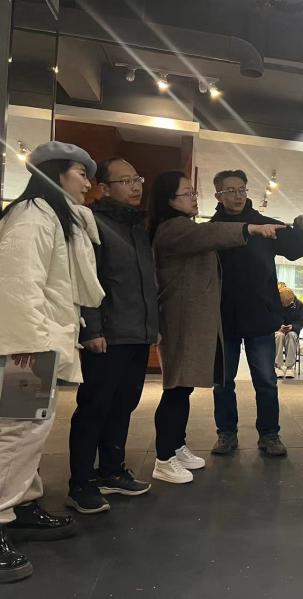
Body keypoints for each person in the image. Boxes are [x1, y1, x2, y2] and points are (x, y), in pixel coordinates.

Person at [0, 142, 104, 583]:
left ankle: (23, 506)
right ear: (57, 172)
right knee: (17, 432)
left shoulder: (54, 217)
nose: (88, 182)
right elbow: (16, 288)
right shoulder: (31, 217)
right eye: (81, 173)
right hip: (26, 349)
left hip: (38, 346)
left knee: (31, 432)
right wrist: (35, 352)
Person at [148, 171, 280, 484]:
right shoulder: (174, 228)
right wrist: (250, 228)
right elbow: (211, 234)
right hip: (181, 322)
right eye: (186, 193)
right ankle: (164, 458)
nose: (193, 198)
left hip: (198, 322)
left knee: (183, 389)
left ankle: (176, 446)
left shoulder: (182, 227)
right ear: (169, 200)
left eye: (193, 192)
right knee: (177, 390)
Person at [66, 158, 157, 515]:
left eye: (138, 179)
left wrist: (152, 327)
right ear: (104, 188)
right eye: (126, 181)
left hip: (137, 333)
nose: (135, 186)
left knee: (124, 405)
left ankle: (112, 471)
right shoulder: (93, 222)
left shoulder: (137, 226)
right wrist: (92, 328)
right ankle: (80, 483)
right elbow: (85, 277)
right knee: (94, 408)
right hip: (107, 334)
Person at [209, 169, 303, 457]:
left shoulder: (263, 225)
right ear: (218, 195)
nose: (238, 195)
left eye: (242, 189)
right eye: (230, 190)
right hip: (224, 319)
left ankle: (269, 434)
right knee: (223, 383)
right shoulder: (212, 230)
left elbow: (293, 248)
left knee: (266, 381)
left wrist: (302, 231)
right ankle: (226, 434)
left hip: (260, 316)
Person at [274, 286, 303, 379]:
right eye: (283, 304)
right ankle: (278, 366)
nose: (284, 306)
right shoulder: (275, 303)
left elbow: (301, 321)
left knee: (291, 336)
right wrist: (279, 326)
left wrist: (292, 327)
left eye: (286, 304)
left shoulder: (299, 304)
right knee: (279, 336)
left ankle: (289, 367)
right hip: (278, 330)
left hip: (293, 330)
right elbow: (271, 318)